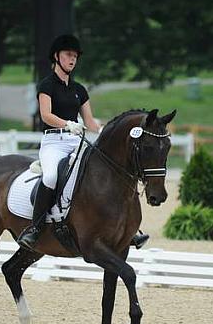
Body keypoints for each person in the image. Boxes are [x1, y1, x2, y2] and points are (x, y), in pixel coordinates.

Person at [17, 34, 150, 250]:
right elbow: (46, 115)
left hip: (76, 140)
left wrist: (111, 130)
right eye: (69, 55)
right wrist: (68, 124)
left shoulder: (79, 90)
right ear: (57, 57)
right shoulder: (46, 85)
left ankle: (128, 230)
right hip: (54, 142)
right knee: (50, 176)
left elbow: (90, 122)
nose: (72, 59)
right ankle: (36, 228)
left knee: (102, 173)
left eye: (75, 56)